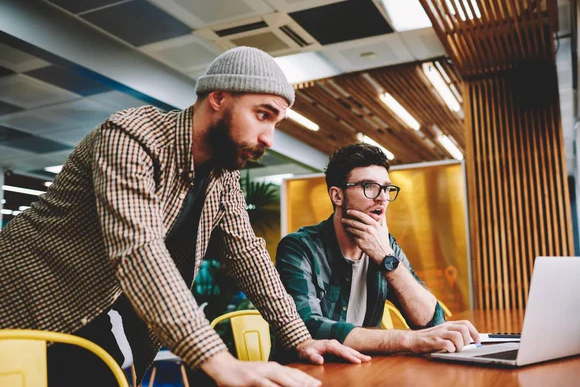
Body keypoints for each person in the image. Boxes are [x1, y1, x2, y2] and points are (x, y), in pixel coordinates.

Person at [0, 47, 369, 387]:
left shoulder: (222, 176)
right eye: (262, 115)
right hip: (24, 302)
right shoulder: (131, 138)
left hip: (94, 311)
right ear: (218, 97)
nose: (269, 137)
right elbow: (139, 251)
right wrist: (221, 362)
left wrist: (301, 338)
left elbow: (247, 255)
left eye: (276, 123)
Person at [276, 143, 480, 356]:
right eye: (368, 186)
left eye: (386, 188)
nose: (382, 197)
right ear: (337, 196)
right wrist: (407, 339)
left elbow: (431, 320)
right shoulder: (299, 247)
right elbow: (306, 328)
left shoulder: (385, 247)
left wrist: (386, 259)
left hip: (359, 372)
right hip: (305, 374)